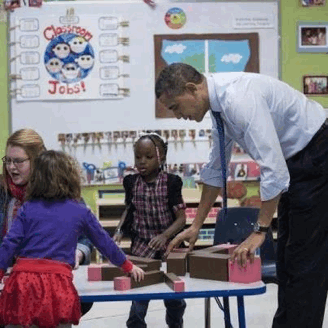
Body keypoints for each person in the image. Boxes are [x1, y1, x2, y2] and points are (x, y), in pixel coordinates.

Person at [156, 63, 328, 328]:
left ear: (191, 89)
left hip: (318, 153)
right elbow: (217, 167)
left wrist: (260, 230)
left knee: (304, 262)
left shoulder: (238, 99)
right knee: (287, 260)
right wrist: (197, 225)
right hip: (299, 160)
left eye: (176, 107)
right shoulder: (217, 106)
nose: (178, 116)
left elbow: (274, 170)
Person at [0, 150, 145, 328]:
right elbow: (104, 243)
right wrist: (127, 266)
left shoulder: (27, 208)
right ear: (70, 177)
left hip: (23, 283)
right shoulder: (80, 211)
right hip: (57, 285)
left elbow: (9, 244)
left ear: (36, 179)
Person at [0, 128, 94, 318]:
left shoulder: (63, 194)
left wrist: (77, 254)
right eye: (7, 160)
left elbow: (87, 239)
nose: (11, 167)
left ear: (37, 162)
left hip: (50, 285)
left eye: (18, 161)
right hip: (10, 284)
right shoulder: (3, 193)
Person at [113, 132, 187, 328]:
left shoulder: (171, 182)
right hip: (142, 247)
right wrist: (119, 230)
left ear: (160, 157)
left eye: (148, 156)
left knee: (174, 298)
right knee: (139, 296)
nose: (142, 162)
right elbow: (129, 209)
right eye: (138, 157)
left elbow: (182, 218)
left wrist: (165, 236)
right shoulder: (131, 182)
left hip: (168, 246)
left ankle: (175, 324)